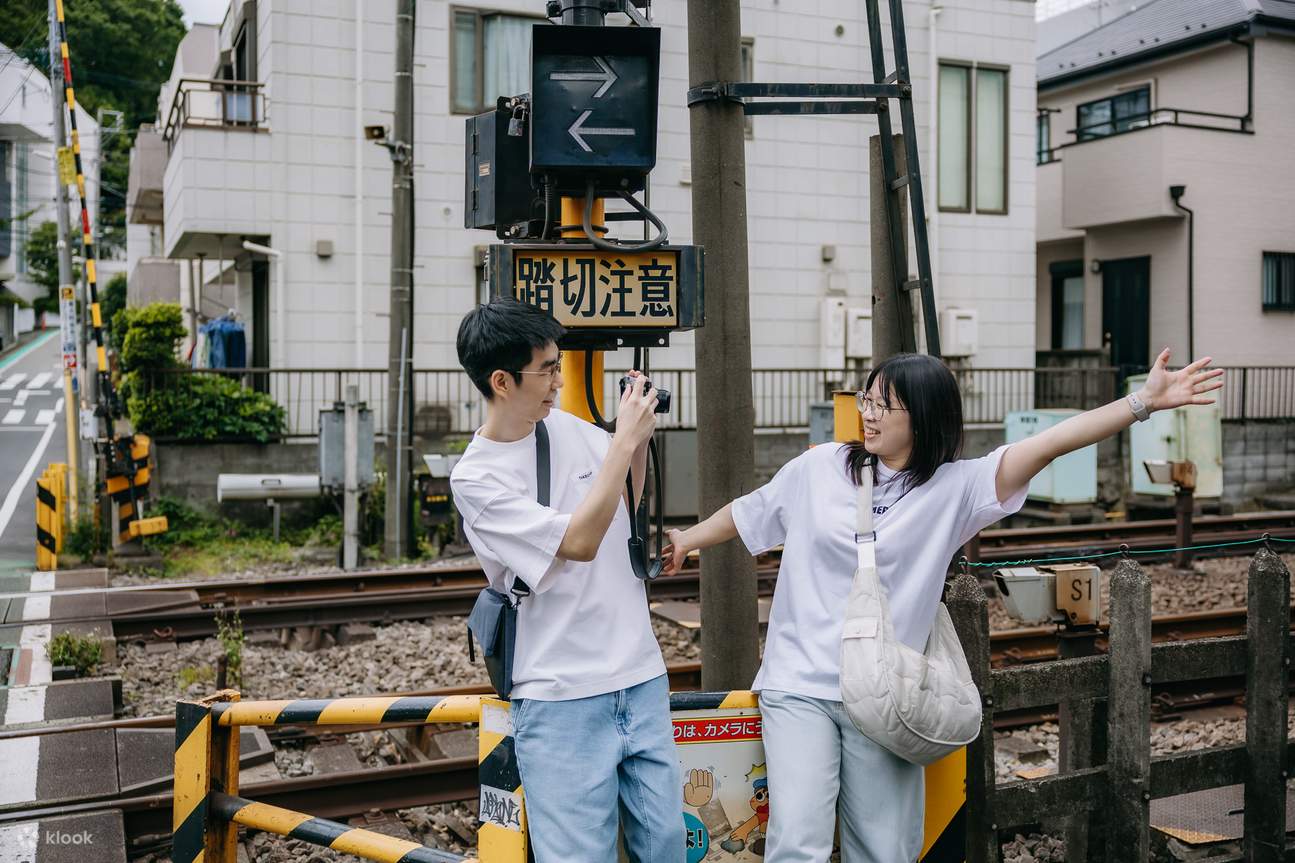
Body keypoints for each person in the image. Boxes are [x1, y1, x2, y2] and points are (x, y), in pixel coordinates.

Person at [663, 349, 1222, 861]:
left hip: (884, 695)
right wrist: (687, 539)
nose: (870, 412)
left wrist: (1142, 403)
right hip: (797, 685)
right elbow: (749, 511)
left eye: (886, 403)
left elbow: (1052, 442)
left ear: (924, 417)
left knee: (884, 849)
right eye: (868, 398)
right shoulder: (819, 467)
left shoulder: (958, 489)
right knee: (798, 843)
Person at [450, 297, 684, 862]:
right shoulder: (475, 479)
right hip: (560, 697)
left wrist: (639, 435)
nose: (558, 379)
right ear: (502, 381)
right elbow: (578, 542)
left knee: (669, 848)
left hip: (640, 674)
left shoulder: (569, 430)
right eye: (548, 368)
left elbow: (627, 497)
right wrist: (624, 439)